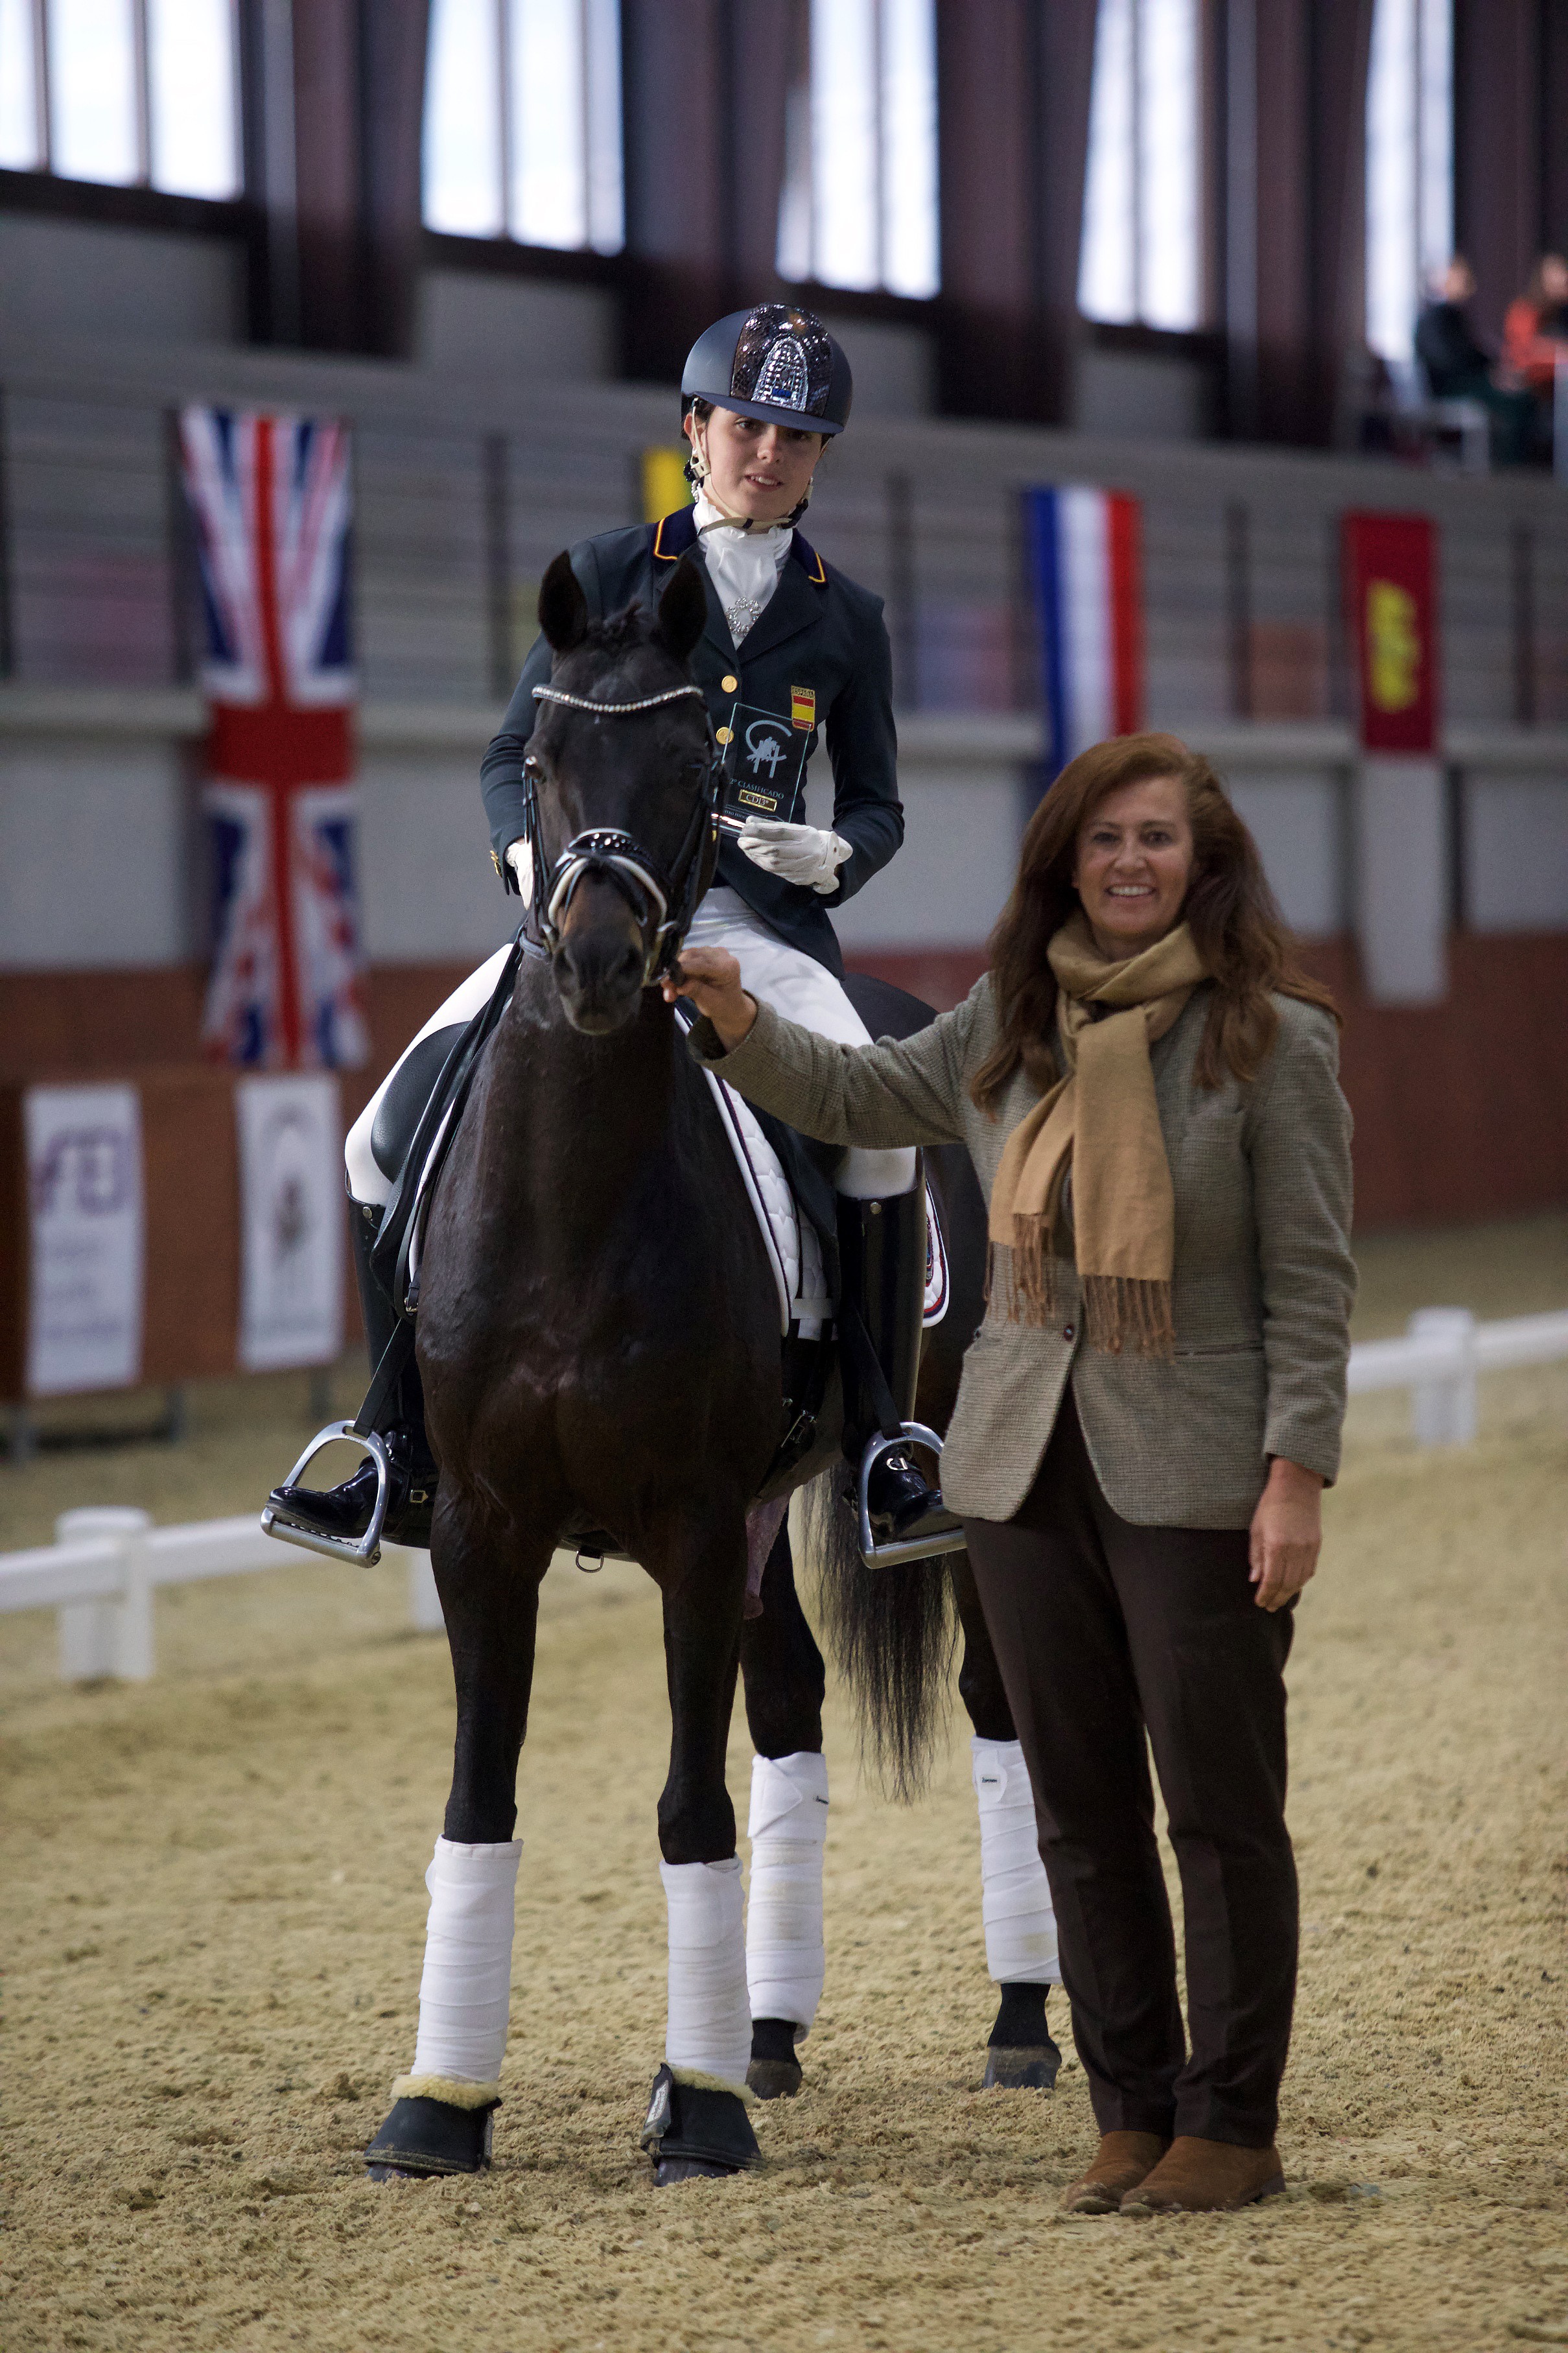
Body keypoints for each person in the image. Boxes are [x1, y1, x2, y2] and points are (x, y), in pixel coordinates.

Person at [669, 731, 1355, 2217]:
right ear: (1064, 858)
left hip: (1194, 1475)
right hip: (1017, 1473)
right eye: (1103, 838)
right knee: (1081, 1813)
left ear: (1204, 861)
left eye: (1155, 838)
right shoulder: (1008, 1016)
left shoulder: (1270, 1038)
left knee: (1219, 1813)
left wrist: (1295, 1471)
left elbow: (1311, 1280)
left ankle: (1230, 2124)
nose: (1128, 861)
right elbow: (863, 1096)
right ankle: (1131, 2113)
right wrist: (740, 1028)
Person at [268, 302, 952, 1555]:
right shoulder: (599, 572)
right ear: (694, 428)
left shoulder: (845, 616)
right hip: (589, 912)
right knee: (374, 1142)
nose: (767, 454)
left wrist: (841, 853)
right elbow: (508, 753)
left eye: (797, 437)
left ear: (819, 457)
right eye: (745, 426)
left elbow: (875, 800)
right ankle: (394, 1439)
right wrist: (528, 858)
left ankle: (878, 1445)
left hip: (757, 929)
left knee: (881, 1140)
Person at [1414, 256, 1535, 466]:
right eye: (1461, 280)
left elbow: (1473, 353)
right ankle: (1512, 464)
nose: (1467, 287)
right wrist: (1490, 376)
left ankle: (1511, 459)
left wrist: (1496, 370)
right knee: (1517, 401)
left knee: (1522, 395)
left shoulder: (1455, 317)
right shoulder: (1434, 319)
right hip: (1451, 387)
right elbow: (1449, 361)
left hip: (1469, 380)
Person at [1503, 254, 1568, 458]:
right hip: (1533, 383)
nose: (1561, 280)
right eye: (1555, 275)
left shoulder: (1561, 312)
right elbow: (1523, 354)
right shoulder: (1525, 310)